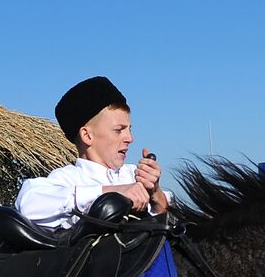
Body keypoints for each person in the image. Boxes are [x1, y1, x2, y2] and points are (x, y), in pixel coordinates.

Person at [16, 76, 170, 230]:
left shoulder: (134, 175)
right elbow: (28, 204)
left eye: (129, 129)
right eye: (119, 130)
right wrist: (112, 192)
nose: (130, 138)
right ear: (87, 135)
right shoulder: (68, 180)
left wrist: (156, 194)